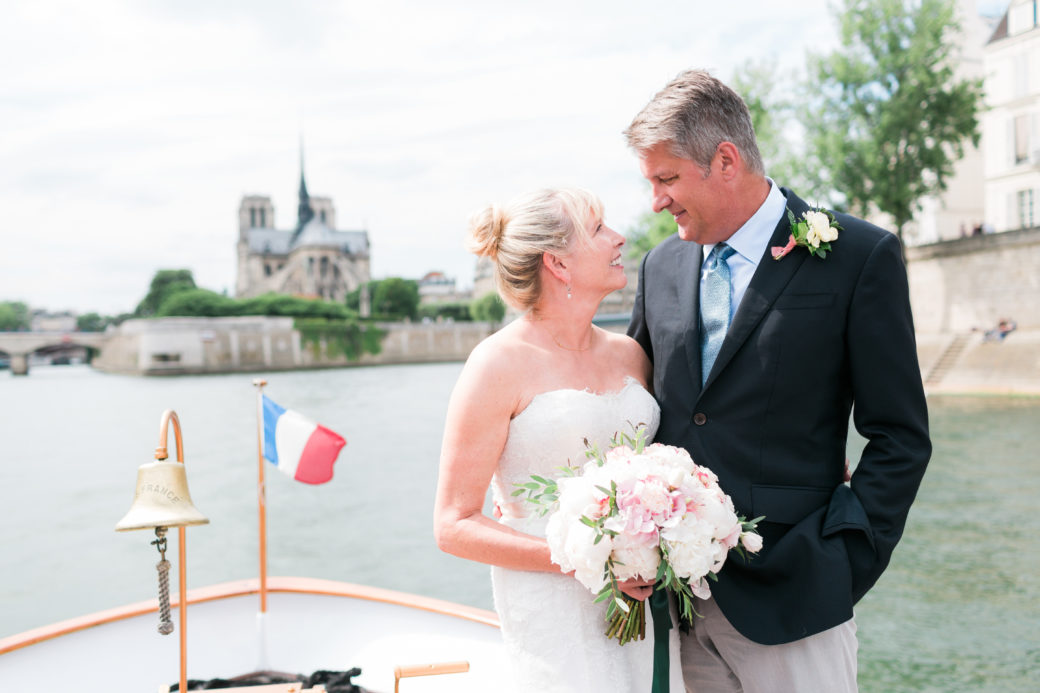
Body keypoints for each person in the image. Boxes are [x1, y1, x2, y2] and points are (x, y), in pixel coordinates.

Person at [624, 69, 932, 692]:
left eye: (667, 179)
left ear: (726, 161)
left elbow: (900, 437)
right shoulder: (660, 265)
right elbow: (632, 408)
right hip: (676, 607)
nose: (656, 200)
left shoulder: (858, 256)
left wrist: (844, 562)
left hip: (799, 600)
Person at [434, 188, 684, 692]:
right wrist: (591, 558)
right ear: (558, 264)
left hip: (643, 595)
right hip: (551, 602)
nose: (619, 238)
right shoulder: (496, 364)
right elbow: (453, 524)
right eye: (598, 230)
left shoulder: (631, 354)